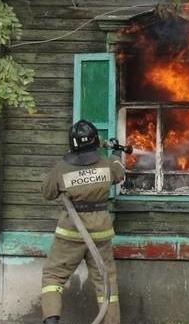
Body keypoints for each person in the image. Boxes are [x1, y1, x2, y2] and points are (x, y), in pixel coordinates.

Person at [40, 119, 126, 324]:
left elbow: (48, 192)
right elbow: (119, 173)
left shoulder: (62, 168)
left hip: (70, 232)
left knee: (53, 276)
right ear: (95, 142)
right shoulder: (106, 164)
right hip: (101, 232)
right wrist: (115, 154)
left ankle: (51, 320)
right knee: (106, 283)